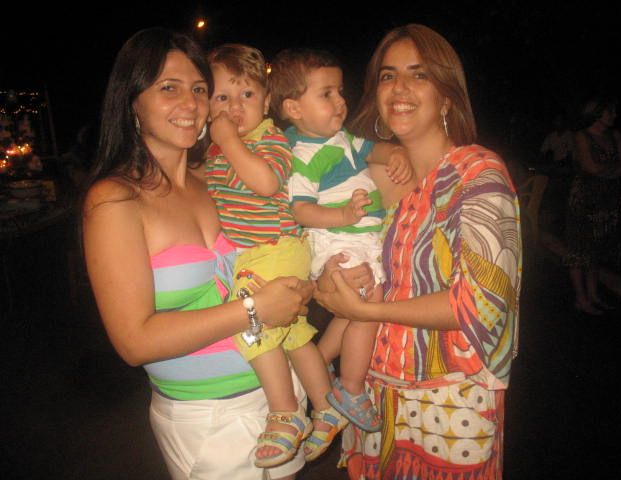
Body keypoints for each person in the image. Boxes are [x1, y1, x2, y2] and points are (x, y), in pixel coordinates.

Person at [82, 28, 313, 480]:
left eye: (200, 89)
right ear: (132, 101)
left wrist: (311, 284)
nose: (190, 103)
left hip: (280, 399)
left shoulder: (219, 180)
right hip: (207, 421)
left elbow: (283, 235)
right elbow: (134, 342)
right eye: (169, 88)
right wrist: (254, 309)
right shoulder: (115, 200)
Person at [314, 24, 522, 480]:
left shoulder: (478, 175)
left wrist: (367, 311)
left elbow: (481, 303)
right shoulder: (368, 179)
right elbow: (326, 249)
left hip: (450, 401)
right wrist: (327, 279)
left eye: (419, 74)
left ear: (447, 96)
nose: (400, 88)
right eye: (388, 76)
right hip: (374, 396)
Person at [268, 48, 413, 459]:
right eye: (326, 94)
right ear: (294, 108)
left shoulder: (340, 139)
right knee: (368, 304)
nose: (340, 101)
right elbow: (300, 209)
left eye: (339, 91)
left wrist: (395, 153)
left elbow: (372, 149)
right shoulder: (304, 154)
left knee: (351, 314)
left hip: (355, 236)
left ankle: (316, 371)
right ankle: (350, 388)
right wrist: (343, 214)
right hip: (338, 237)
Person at [203, 43, 342, 468]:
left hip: (275, 247)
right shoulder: (217, 151)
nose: (234, 107)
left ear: (266, 102)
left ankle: (285, 413)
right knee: (294, 333)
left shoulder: (270, 140)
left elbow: (265, 184)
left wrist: (227, 139)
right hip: (263, 251)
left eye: (247, 94)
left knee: (251, 325)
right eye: (222, 97)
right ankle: (327, 405)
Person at [565, 96, 621, 315]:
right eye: (610, 112)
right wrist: (612, 170)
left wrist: (607, 171)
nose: (614, 116)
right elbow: (591, 167)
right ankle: (580, 297)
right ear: (597, 113)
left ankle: (592, 294)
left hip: (607, 199)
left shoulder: (614, 136)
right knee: (578, 249)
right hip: (584, 200)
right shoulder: (582, 136)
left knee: (596, 250)